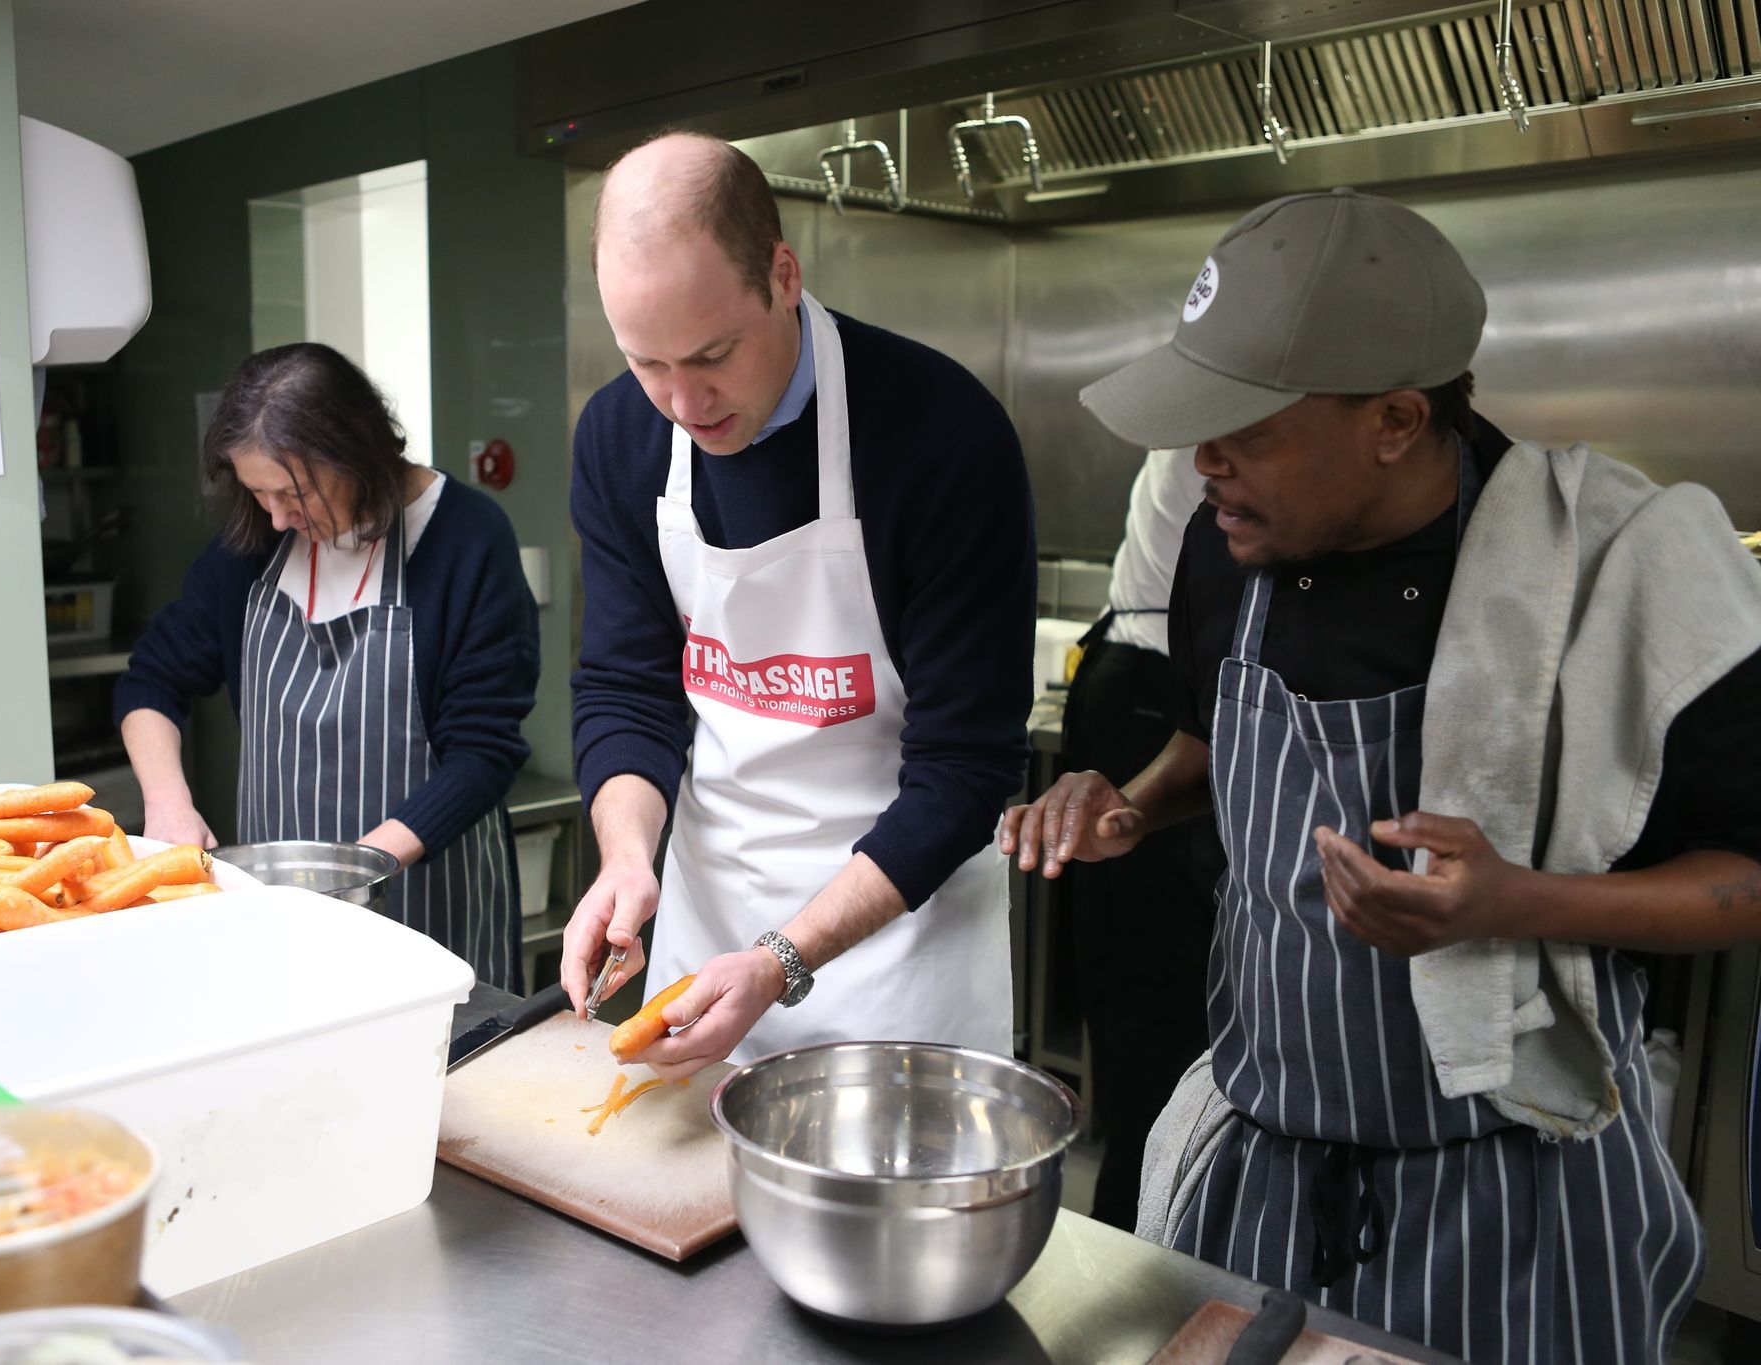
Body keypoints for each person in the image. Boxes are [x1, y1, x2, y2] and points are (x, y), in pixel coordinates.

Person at [1003, 187, 1761, 1363]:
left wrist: (1513, 902)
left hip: (1513, 1192)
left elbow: (1746, 880)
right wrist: (1132, 803)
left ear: (1396, 420)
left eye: (1243, 427)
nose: (1202, 462)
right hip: (1261, 1175)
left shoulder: (1608, 574)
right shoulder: (1228, 541)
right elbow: (1217, 739)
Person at [562, 132, 1036, 1078]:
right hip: (707, 939)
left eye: (712, 355)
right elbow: (625, 687)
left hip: (900, 956)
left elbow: (965, 768)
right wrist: (624, 858)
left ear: (783, 274)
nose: (683, 403)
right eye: (646, 363)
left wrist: (783, 960)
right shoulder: (621, 435)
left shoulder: (940, 434)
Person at [116, 343, 540, 991]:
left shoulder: (466, 538)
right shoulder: (258, 544)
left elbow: (481, 754)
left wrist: (350, 874)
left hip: (429, 911)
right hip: (284, 915)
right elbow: (153, 678)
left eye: (292, 492)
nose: (278, 515)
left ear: (355, 453)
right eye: (259, 494)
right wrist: (168, 803)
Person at [1032, 446, 1222, 1232]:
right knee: (1159, 1000)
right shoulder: (1229, 426)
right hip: (1149, 684)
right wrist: (1139, 811)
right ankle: (1141, 1231)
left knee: (1159, 997)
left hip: (1134, 677)